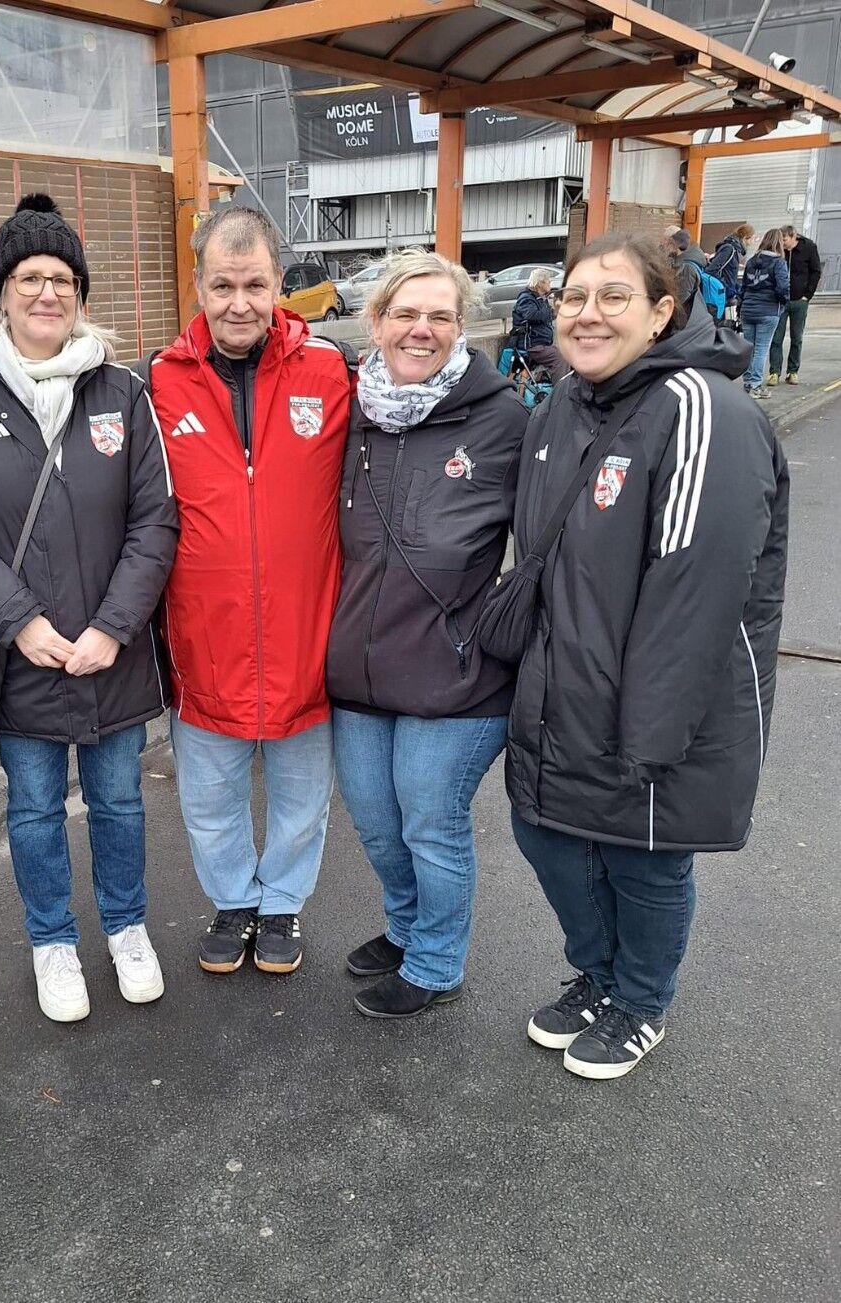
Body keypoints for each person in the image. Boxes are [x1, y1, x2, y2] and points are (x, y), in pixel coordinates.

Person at [506, 233, 788, 1080]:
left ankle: (640, 1000)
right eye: (573, 297)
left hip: (658, 704)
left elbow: (695, 592)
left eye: (613, 296)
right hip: (564, 685)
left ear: (661, 311)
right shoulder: (564, 402)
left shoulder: (704, 408)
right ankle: (598, 975)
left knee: (643, 859)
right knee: (550, 838)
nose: (586, 314)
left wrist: (650, 735)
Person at [0, 195, 178, 1023]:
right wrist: (20, 621)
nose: (46, 292)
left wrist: (113, 627)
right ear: (2, 291)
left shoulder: (123, 392)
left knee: (120, 802)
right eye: (29, 276)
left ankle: (127, 927)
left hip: (112, 654)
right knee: (32, 808)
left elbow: (155, 518)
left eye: (62, 278)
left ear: (80, 293)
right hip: (22, 654)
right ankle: (52, 939)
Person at [146, 206, 351, 976]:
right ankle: (233, 899)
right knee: (208, 797)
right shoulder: (158, 381)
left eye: (255, 285)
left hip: (306, 634)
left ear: (279, 285)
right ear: (197, 286)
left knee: (302, 794)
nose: (239, 303)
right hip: (204, 637)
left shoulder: (329, 371)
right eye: (223, 285)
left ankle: (282, 902)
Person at [326, 250, 526, 1018]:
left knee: (429, 824)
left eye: (440, 315)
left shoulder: (503, 420)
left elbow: (548, 544)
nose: (422, 329)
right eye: (405, 313)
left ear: (461, 325)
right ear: (375, 322)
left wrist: (499, 620)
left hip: (456, 674)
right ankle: (406, 926)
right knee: (377, 824)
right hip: (360, 667)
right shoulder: (350, 414)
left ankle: (436, 962)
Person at [768, 225, 822, 386]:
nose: (782, 243)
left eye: (785, 240)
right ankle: (774, 372)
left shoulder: (809, 247)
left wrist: (807, 295)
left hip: (800, 300)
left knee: (796, 337)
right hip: (780, 300)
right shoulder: (778, 249)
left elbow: (816, 271)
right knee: (776, 337)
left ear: (793, 237)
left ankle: (793, 371)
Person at [739, 229, 789, 399]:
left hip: (748, 309)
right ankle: (755, 385)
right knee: (761, 349)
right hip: (768, 310)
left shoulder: (752, 261)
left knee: (749, 347)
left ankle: (747, 383)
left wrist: (741, 306)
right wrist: (784, 302)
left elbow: (744, 286)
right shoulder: (779, 263)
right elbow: (783, 288)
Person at [511, 267, 568, 381]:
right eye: (548, 281)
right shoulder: (526, 298)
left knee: (566, 353)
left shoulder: (540, 298)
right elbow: (532, 315)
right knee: (559, 358)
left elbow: (548, 315)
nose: (550, 283)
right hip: (531, 345)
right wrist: (549, 308)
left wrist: (558, 310)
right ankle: (560, 389)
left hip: (541, 343)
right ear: (540, 283)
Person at [666, 229, 714, 320]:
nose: (667, 247)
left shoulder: (687, 268)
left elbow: (682, 296)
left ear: (676, 245)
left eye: (670, 244)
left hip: (686, 317)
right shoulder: (693, 261)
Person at [708, 222, 753, 316]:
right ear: (745, 238)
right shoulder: (729, 249)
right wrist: (727, 287)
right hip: (722, 295)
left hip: (726, 294)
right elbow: (711, 270)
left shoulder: (733, 249)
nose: (751, 243)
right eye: (751, 239)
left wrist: (735, 286)